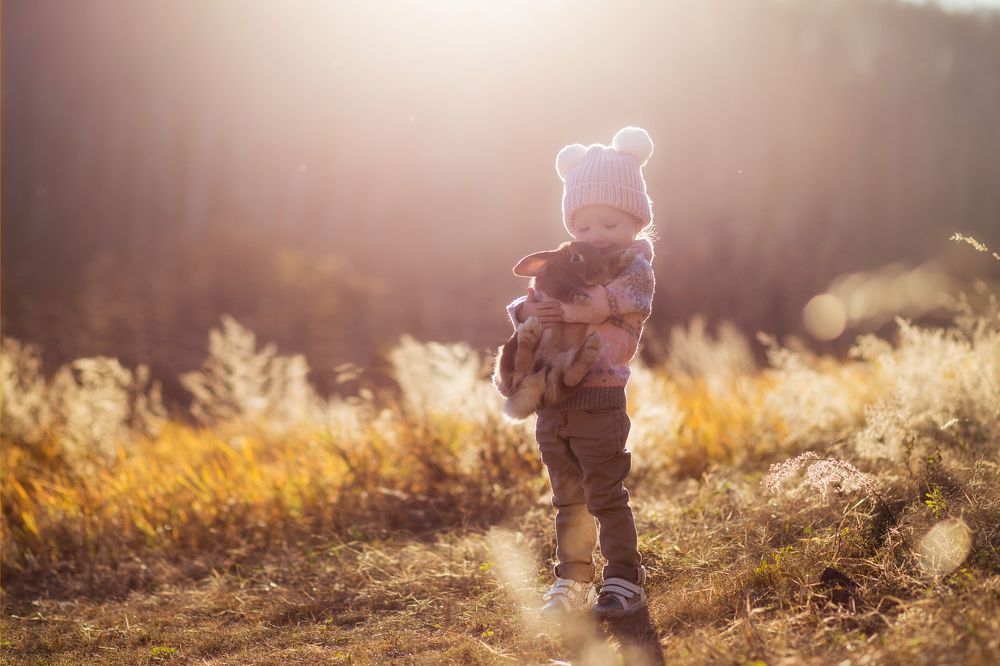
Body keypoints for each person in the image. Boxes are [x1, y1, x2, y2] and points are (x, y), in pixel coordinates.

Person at [501, 126, 657, 619]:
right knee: (567, 496)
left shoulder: (635, 266)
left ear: (634, 221)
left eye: (611, 224)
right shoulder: (568, 262)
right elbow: (529, 300)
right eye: (586, 226)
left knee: (605, 492)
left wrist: (575, 312)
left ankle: (623, 578)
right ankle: (572, 577)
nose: (597, 237)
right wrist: (534, 313)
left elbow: (626, 302)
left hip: (600, 394)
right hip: (554, 396)